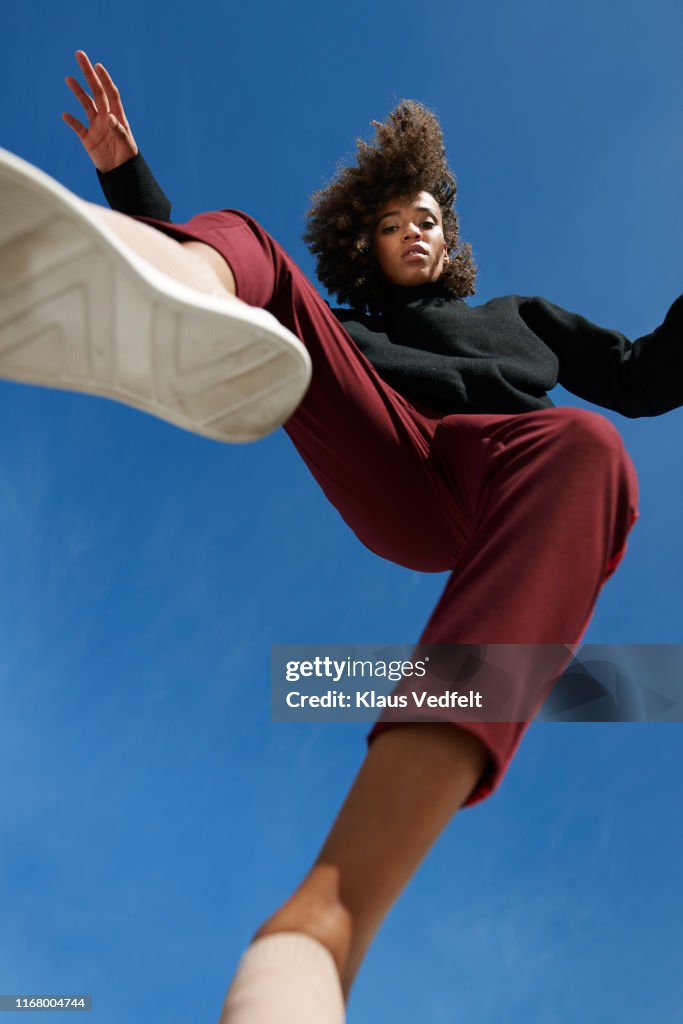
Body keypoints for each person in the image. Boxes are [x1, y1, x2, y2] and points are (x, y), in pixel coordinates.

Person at [1, 48, 680, 1024]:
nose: (416, 231)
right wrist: (123, 175)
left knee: (584, 443)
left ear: (450, 242)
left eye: (430, 221)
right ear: (369, 241)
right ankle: (150, 267)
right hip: (387, 454)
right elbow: (262, 281)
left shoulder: (519, 318)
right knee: (247, 246)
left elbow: (644, 376)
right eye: (397, 221)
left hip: (496, 465)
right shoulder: (356, 325)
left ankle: (327, 922)